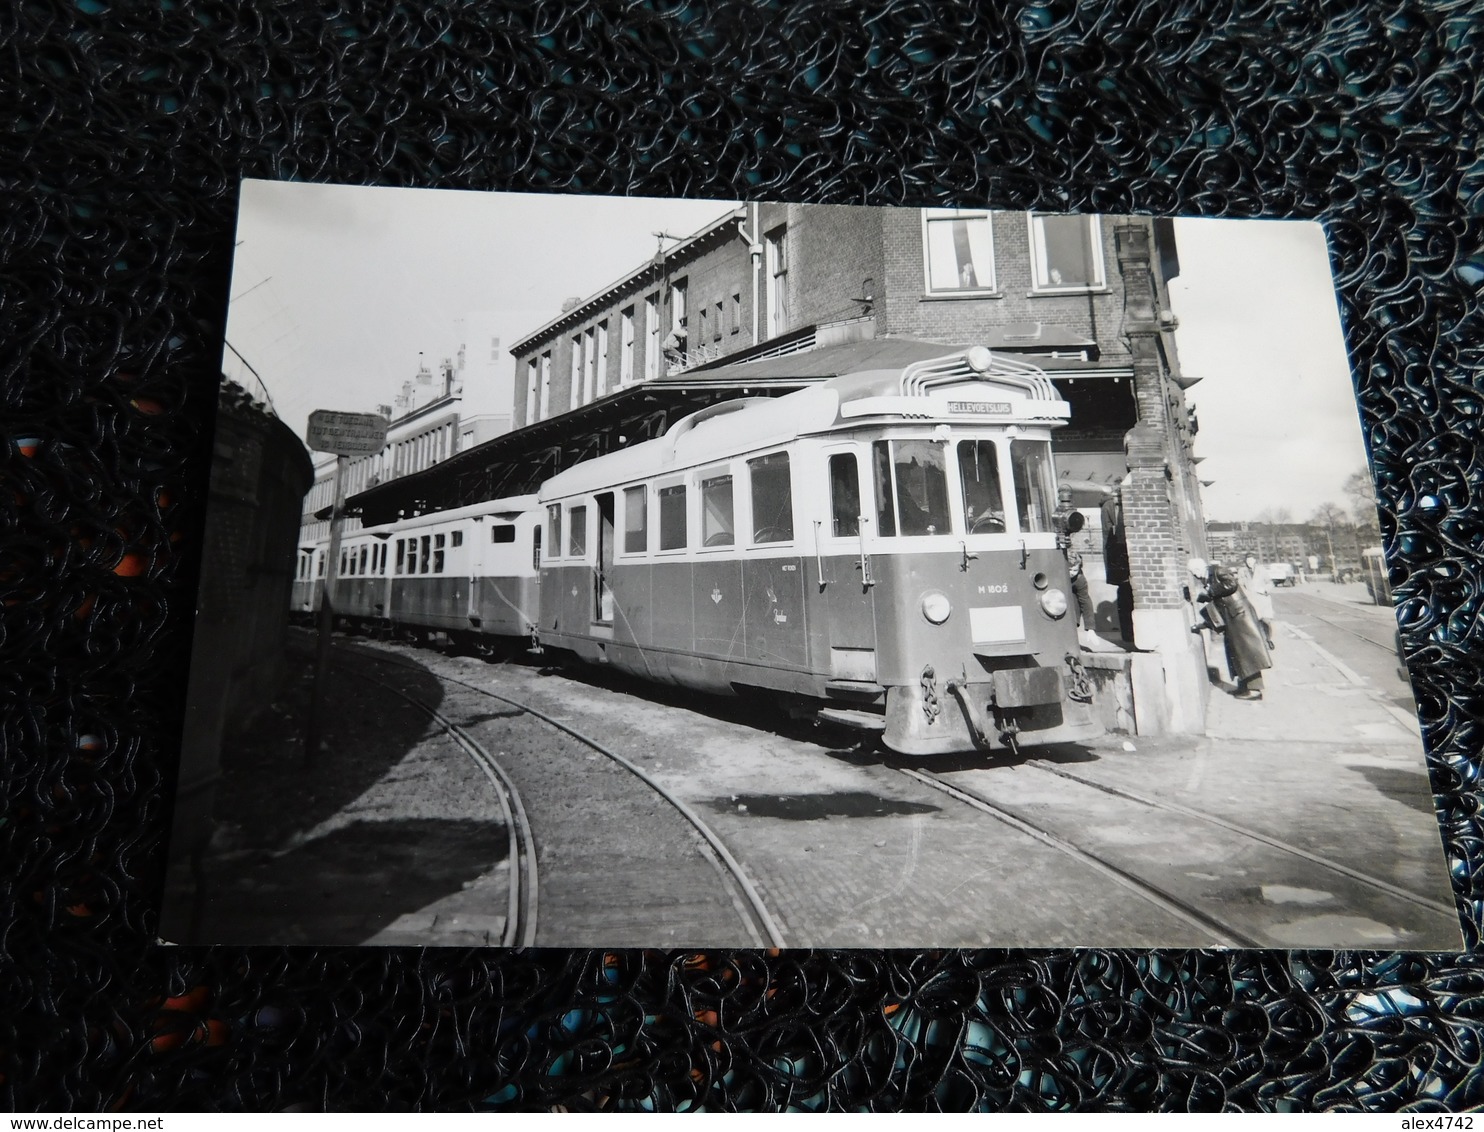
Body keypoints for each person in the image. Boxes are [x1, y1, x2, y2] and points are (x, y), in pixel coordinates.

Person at [1192, 558, 1272, 700]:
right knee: (1239, 653)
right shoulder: (1210, 575)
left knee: (1248, 653)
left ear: (1198, 570)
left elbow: (1232, 584)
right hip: (1234, 617)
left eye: (1194, 573)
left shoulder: (1217, 570)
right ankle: (1245, 687)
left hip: (1240, 616)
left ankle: (1254, 690)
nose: (1195, 577)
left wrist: (1210, 592)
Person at [1100, 486, 1133, 643]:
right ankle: (1128, 634)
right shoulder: (1108, 507)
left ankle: (1132, 632)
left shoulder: (1130, 504)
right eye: (1115, 496)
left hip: (1131, 554)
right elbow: (1107, 534)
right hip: (1119, 557)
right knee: (1125, 595)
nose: (1117, 499)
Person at [1238, 553, 1276, 648]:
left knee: (1266, 621)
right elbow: (1240, 584)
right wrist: (1245, 593)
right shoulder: (1242, 571)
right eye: (1247, 560)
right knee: (1254, 622)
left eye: (1251, 560)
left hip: (1263, 599)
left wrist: (1265, 590)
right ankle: (1260, 644)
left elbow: (1270, 583)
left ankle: (1269, 640)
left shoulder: (1261, 569)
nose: (1249, 562)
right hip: (1250, 600)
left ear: (1255, 560)